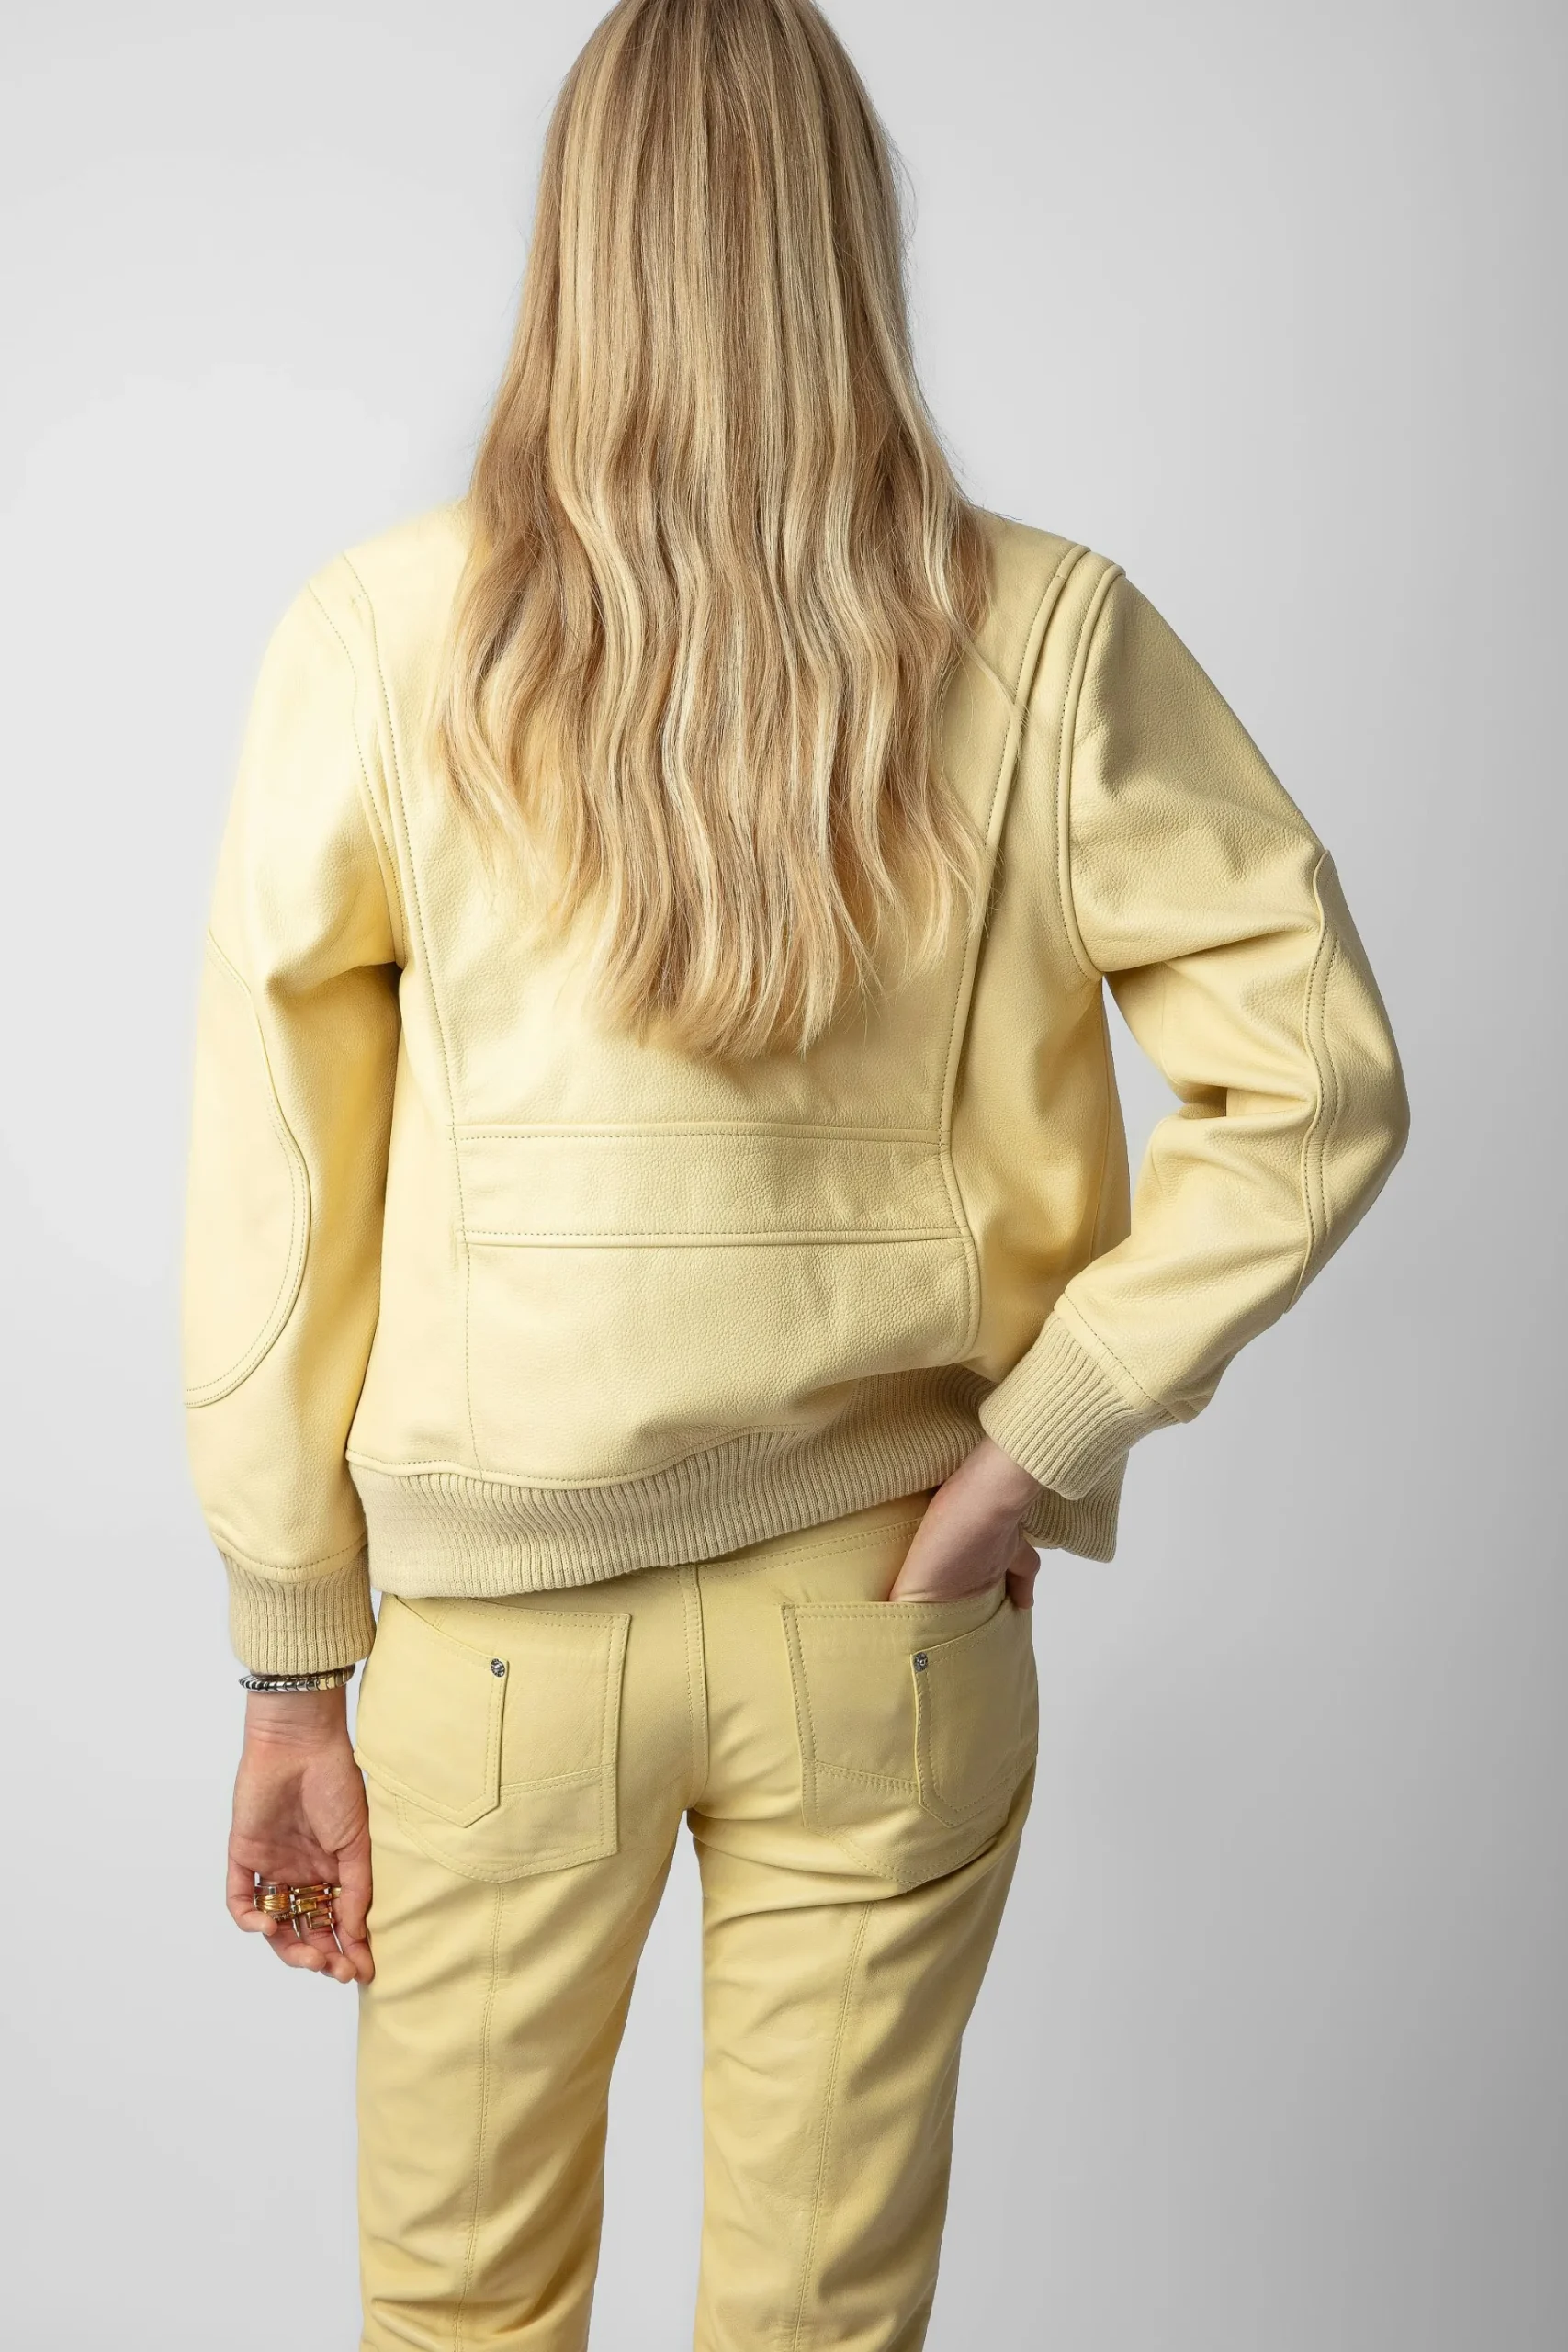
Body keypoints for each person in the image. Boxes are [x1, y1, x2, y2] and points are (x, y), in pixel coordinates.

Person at [183, 1, 1410, 2343]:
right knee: (819, 2324)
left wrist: (288, 1665)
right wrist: (1028, 1454)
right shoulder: (1044, 633)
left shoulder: (375, 636)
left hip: (493, 1659)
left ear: (581, 242)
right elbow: (1319, 1078)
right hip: (889, 1611)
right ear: (849, 238)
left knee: (454, 2312)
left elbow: (275, 1203)